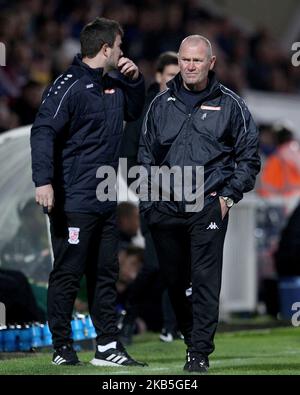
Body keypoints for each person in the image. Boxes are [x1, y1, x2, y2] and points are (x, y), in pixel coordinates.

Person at [138, 35, 261, 373]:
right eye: (185, 60)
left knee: (205, 280)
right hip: (164, 207)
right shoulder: (160, 103)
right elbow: (145, 156)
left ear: (211, 63)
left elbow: (249, 158)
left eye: (196, 60)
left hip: (208, 204)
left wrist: (227, 197)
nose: (190, 66)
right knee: (175, 281)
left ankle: (199, 352)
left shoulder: (232, 105)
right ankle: (191, 337)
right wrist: (149, 201)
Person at [31, 17, 146, 367]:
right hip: (74, 199)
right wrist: (43, 181)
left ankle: (107, 346)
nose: (123, 52)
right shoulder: (67, 85)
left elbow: (134, 109)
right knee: (68, 272)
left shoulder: (113, 85)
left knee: (105, 273)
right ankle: (62, 347)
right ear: (106, 48)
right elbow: (43, 132)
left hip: (104, 198)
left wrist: (136, 80)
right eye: (120, 45)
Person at [119, 53, 182, 345]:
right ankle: (127, 313)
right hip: (153, 198)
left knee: (179, 264)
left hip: (183, 197)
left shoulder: (186, 108)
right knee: (155, 264)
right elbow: (126, 156)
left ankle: (173, 326)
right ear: (158, 76)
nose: (174, 80)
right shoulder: (144, 112)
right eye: (169, 75)